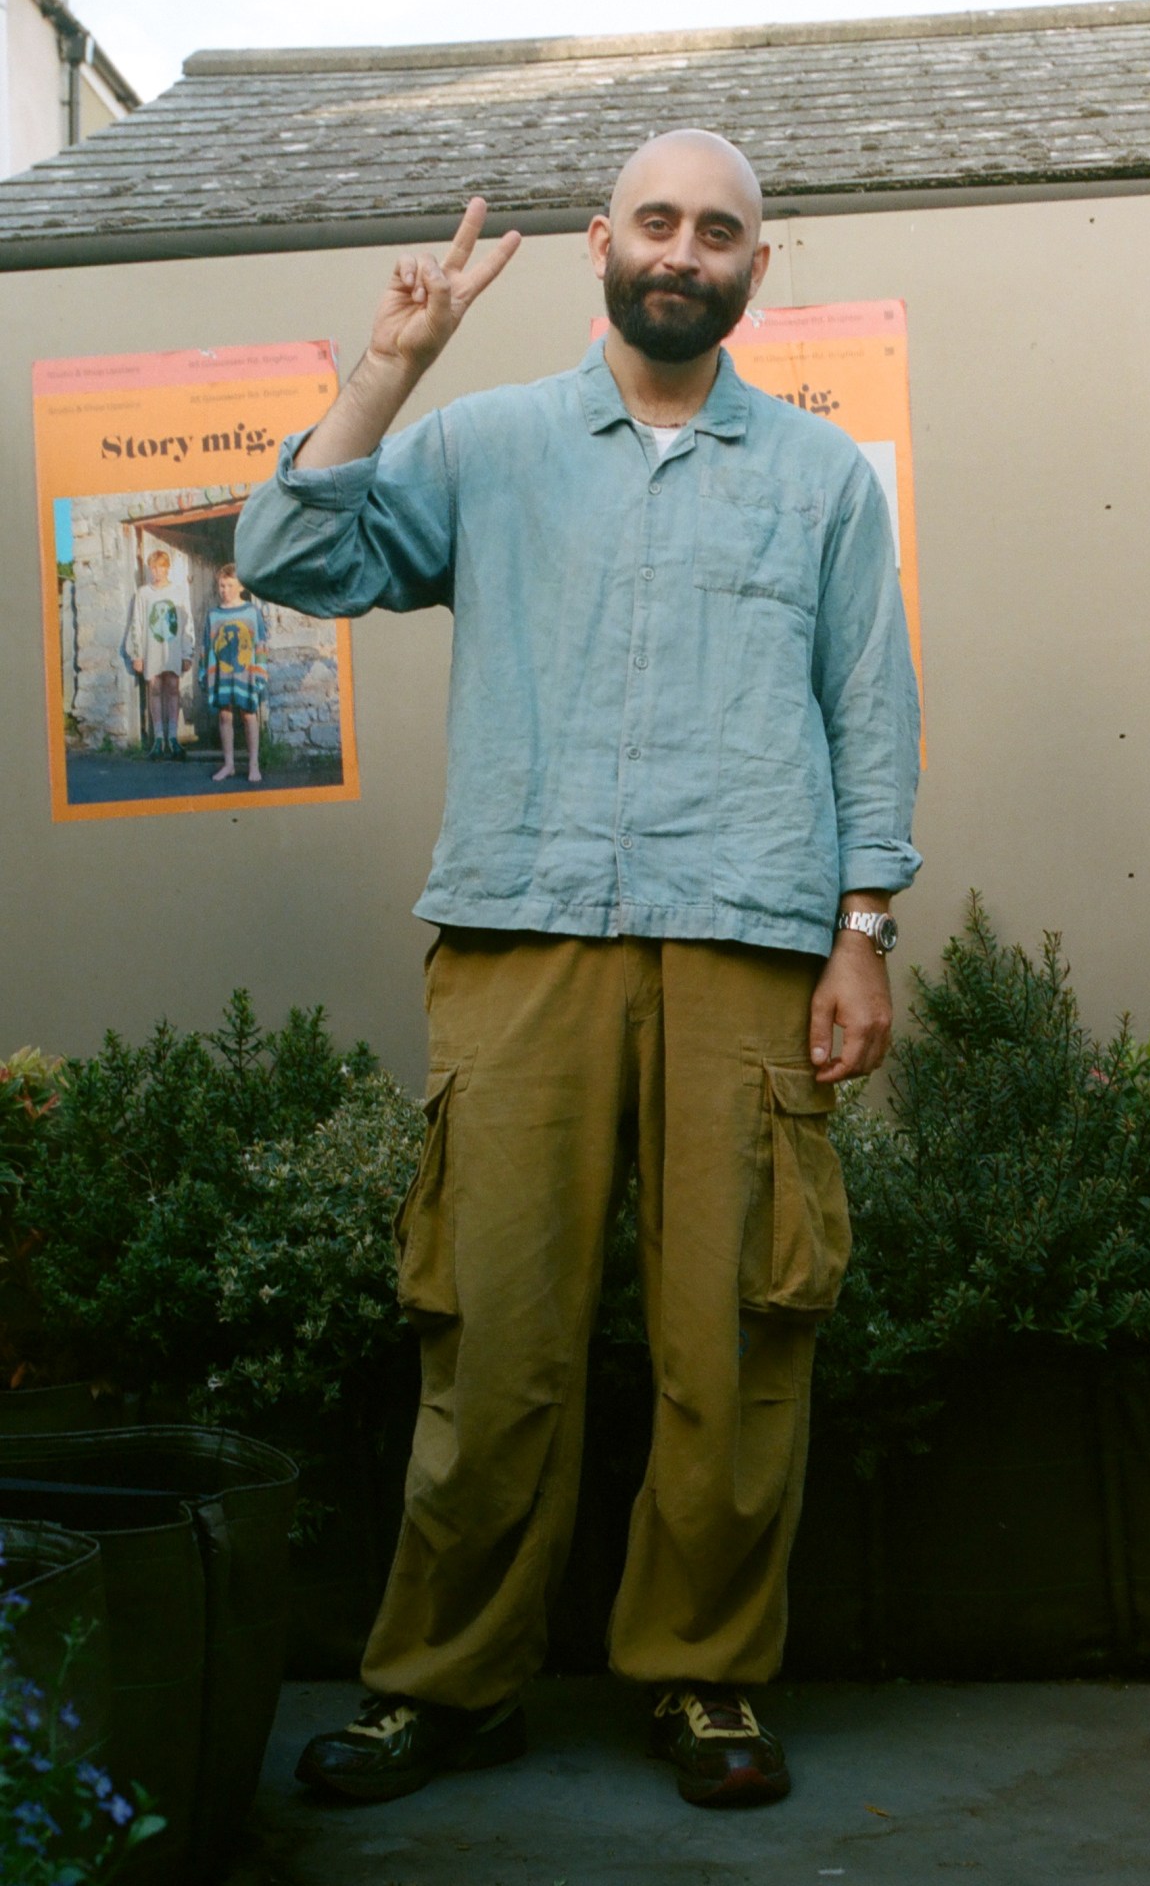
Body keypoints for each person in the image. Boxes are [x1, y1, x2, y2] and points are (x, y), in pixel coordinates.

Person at [236, 129, 921, 1812]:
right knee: (495, 1336)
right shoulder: (488, 444)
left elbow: (870, 715)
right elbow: (288, 557)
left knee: (736, 1343)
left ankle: (702, 1678)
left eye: (721, 229)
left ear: (762, 266)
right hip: (520, 937)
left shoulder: (825, 480)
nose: (684, 250)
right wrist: (387, 370)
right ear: (602, 245)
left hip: (749, 950)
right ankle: (446, 1688)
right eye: (657, 221)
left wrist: (864, 937)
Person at [202, 562, 267, 783]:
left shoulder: (251, 612)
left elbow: (260, 645)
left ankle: (253, 765)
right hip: (222, 673)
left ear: (240, 586)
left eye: (230, 586)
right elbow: (207, 647)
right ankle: (228, 764)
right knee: (224, 715)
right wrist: (205, 674)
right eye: (221, 586)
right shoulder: (213, 615)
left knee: (249, 715)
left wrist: (259, 673)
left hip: (245, 673)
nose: (225, 591)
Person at [128, 547, 194, 759]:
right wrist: (137, 653)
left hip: (172, 647)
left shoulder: (178, 592)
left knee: (173, 686)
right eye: (153, 568)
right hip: (152, 648)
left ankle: (173, 738)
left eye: (161, 567)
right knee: (155, 688)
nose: (157, 572)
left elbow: (186, 623)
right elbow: (137, 623)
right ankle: (158, 739)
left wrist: (187, 653)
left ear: (167, 568)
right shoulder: (143, 593)